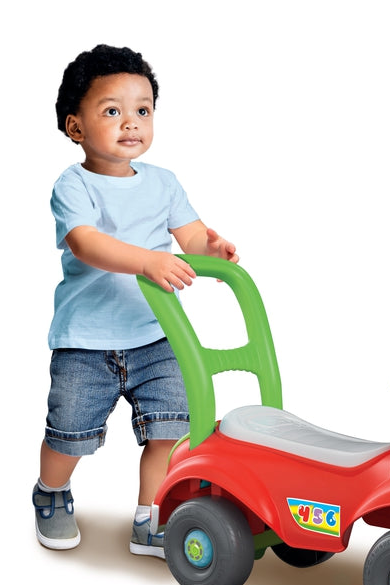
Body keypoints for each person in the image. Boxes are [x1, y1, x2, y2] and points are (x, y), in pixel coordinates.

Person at [33, 44, 238, 558]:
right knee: (70, 434)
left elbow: (191, 236)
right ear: (75, 126)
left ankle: (152, 517)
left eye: (143, 110)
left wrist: (211, 249)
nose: (131, 123)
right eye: (112, 111)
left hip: (156, 336)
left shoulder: (164, 183)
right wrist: (147, 260)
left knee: (171, 429)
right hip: (86, 342)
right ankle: (51, 491)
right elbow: (86, 243)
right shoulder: (73, 185)